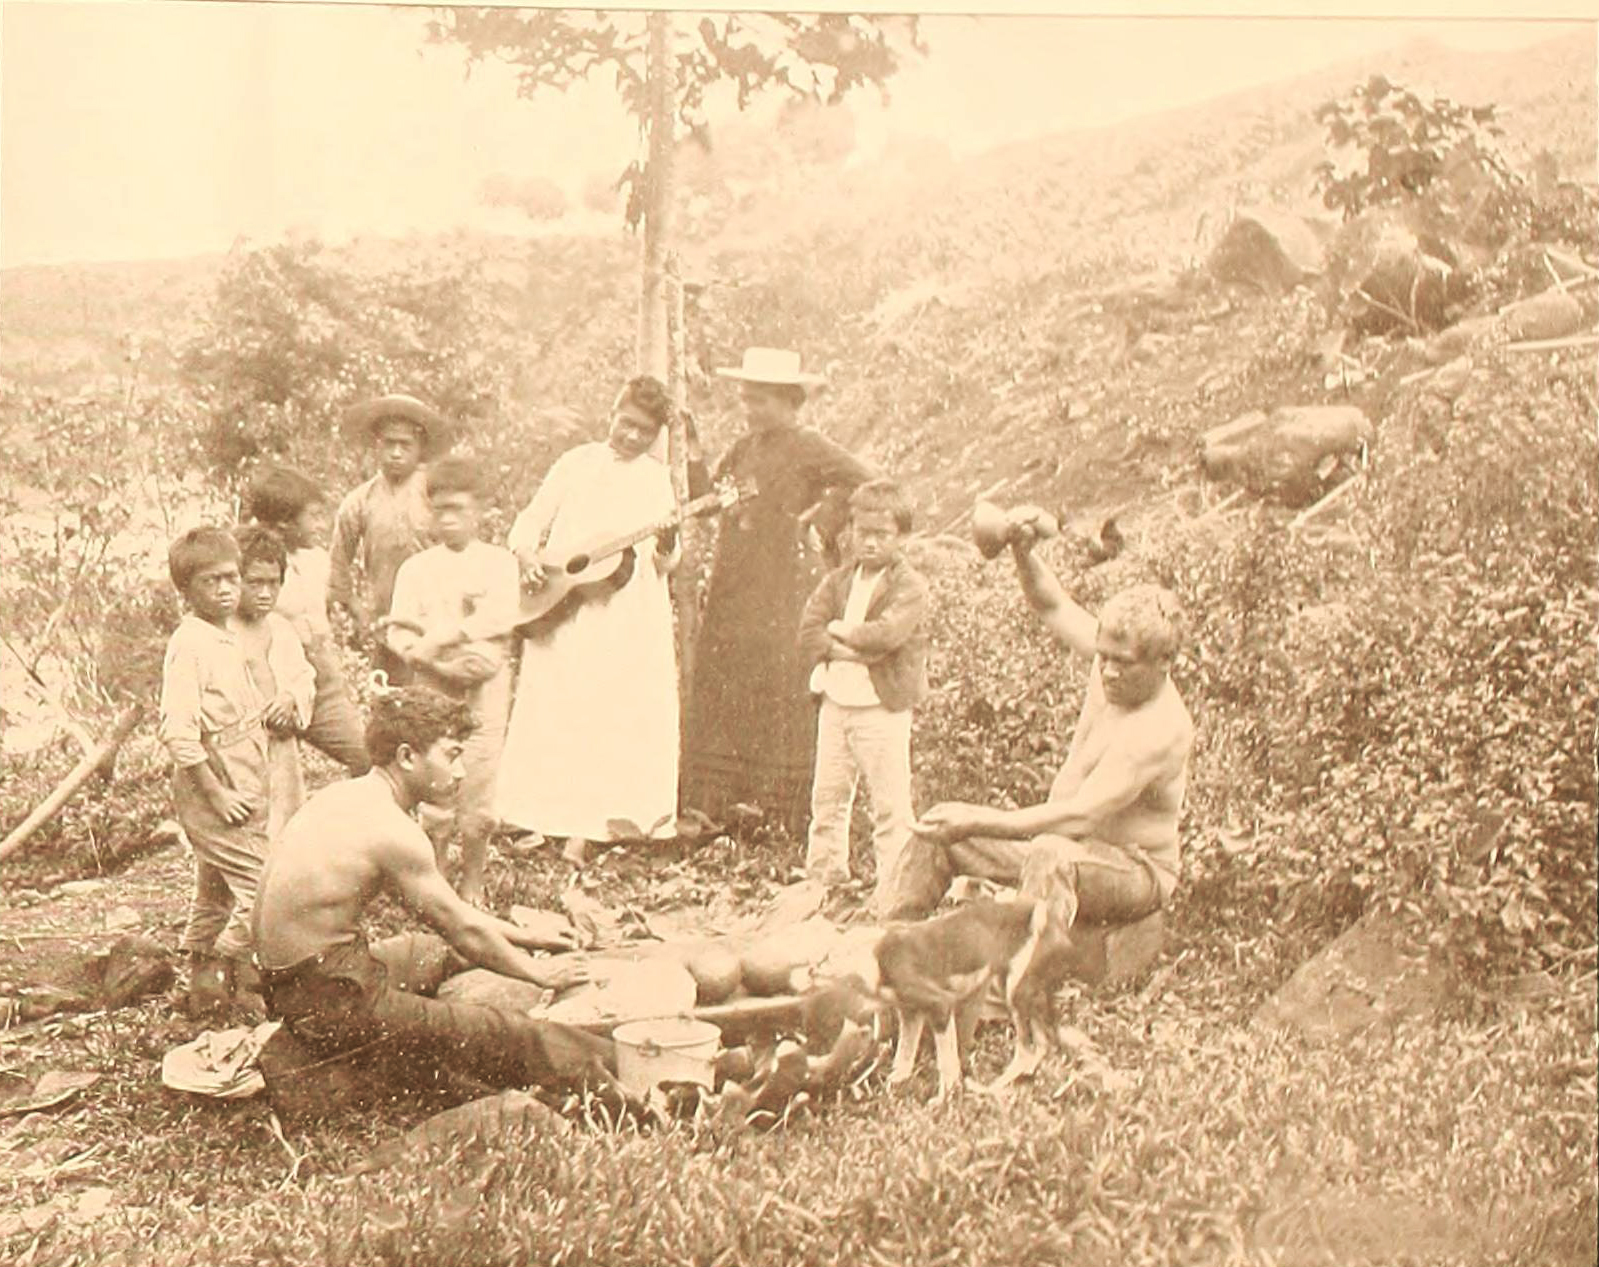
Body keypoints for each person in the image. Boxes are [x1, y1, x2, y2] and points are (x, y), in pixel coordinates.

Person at [251, 686, 611, 1097]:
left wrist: (529, 937)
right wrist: (539, 972)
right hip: (331, 1001)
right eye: (451, 755)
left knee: (428, 951)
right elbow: (462, 930)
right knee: (502, 1032)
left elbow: (452, 912)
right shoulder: (392, 830)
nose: (460, 772)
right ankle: (624, 1062)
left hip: (295, 984)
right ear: (407, 757)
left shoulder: (348, 796)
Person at [881, 507, 1193, 933]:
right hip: (1066, 845)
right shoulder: (1111, 661)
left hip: (1134, 871)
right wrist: (1022, 552)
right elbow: (1051, 603)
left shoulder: (1158, 729)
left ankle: (1024, 966)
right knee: (937, 827)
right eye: (1103, 657)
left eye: (1123, 663)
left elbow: (1081, 816)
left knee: (1049, 854)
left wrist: (978, 819)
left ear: (1165, 661)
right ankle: (886, 944)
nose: (1108, 671)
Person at [681, 347, 875, 837]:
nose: (750, 409)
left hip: (783, 584)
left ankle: (779, 807)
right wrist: (693, 452)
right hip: (734, 582)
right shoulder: (743, 450)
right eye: (746, 399)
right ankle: (722, 803)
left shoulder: (810, 447)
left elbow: (867, 481)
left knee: (780, 681)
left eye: (761, 400)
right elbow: (710, 501)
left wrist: (823, 519)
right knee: (729, 676)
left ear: (790, 402)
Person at [497, 376, 681, 866]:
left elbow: (666, 562)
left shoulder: (655, 479)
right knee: (557, 704)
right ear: (613, 413)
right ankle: (538, 815)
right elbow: (530, 521)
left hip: (627, 614)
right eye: (627, 423)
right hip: (565, 603)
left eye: (645, 431)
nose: (632, 436)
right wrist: (528, 555)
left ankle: (595, 826)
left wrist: (667, 541)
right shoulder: (575, 464)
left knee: (611, 710)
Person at [383, 455, 518, 904]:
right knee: (436, 780)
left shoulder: (499, 564)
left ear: (480, 509)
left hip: (484, 689)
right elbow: (399, 632)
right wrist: (434, 662)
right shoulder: (416, 569)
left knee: (479, 782)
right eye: (439, 510)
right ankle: (435, 877)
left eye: (458, 509)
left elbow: (499, 619)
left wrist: (445, 638)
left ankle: (473, 878)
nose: (448, 519)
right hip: (433, 688)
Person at [797, 479, 929, 914]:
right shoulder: (838, 581)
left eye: (882, 534)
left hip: (881, 706)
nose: (870, 542)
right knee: (828, 798)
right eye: (862, 531)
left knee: (890, 804)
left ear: (901, 536)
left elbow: (888, 635)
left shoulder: (909, 586)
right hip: (836, 702)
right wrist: (849, 648)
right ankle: (823, 883)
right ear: (850, 530)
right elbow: (809, 630)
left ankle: (895, 890)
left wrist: (840, 634)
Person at [158, 526, 273, 1018]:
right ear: (186, 591)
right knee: (262, 887)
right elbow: (178, 731)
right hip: (213, 780)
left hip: (243, 765)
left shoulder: (224, 634)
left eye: (232, 578)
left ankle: (203, 987)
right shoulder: (189, 644)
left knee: (217, 887)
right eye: (211, 581)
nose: (226, 589)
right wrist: (218, 793)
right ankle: (231, 966)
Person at [244, 464, 370, 773]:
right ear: (285, 523)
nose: (320, 525)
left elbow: (335, 598)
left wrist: (361, 615)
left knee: (366, 756)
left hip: (321, 680)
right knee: (269, 775)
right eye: (312, 516)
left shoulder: (316, 561)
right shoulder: (248, 564)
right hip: (266, 686)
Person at [328, 394, 451, 685]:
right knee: (388, 696)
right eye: (389, 444)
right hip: (385, 622)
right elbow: (338, 564)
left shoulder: (437, 495)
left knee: (434, 696)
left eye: (405, 445)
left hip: (436, 620)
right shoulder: (359, 501)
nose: (396, 453)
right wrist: (358, 611)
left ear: (420, 449)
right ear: (377, 446)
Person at [232, 525, 316, 843]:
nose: (265, 593)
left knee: (285, 828)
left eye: (273, 583)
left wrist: (290, 698)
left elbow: (303, 677)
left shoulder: (281, 629)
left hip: (281, 750)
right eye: (254, 583)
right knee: (244, 833)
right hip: (237, 754)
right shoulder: (218, 634)